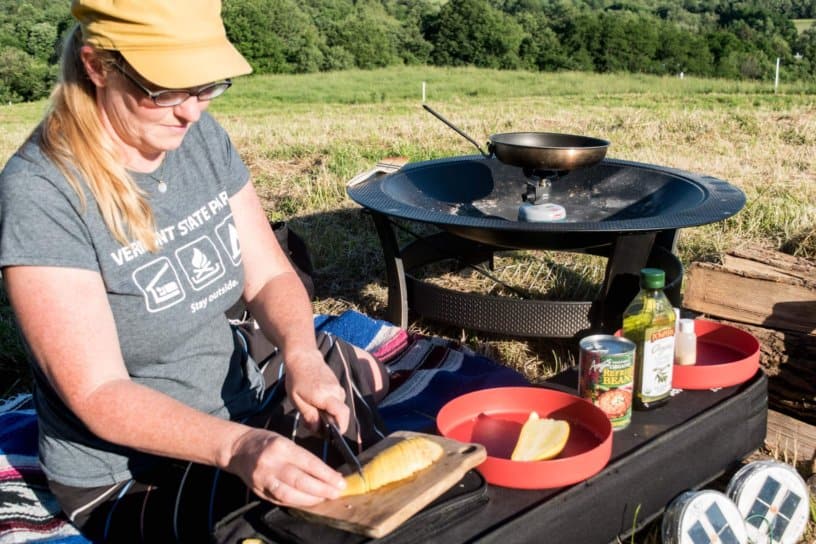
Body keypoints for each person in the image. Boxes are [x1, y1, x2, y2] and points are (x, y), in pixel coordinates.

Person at [0, 1, 388, 541]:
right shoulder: (42, 195)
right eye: (164, 90)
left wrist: (300, 352)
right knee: (302, 525)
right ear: (95, 66)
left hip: (240, 402)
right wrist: (239, 447)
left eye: (206, 86)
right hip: (132, 472)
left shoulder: (199, 137)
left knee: (357, 396)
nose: (191, 111)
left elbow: (269, 276)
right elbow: (98, 392)